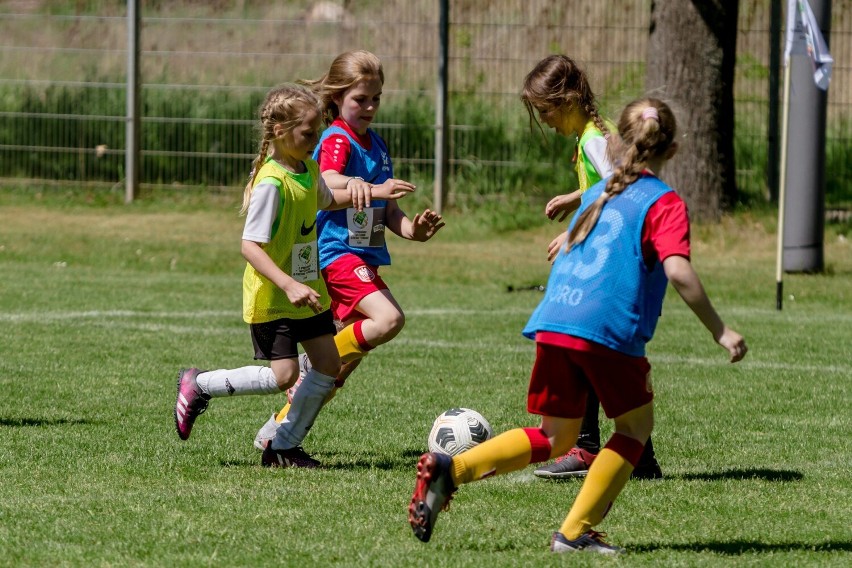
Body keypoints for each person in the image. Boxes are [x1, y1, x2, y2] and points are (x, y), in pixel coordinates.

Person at [408, 98, 748, 554]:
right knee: (633, 429)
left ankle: (454, 469)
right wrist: (720, 330)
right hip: (605, 330)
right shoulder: (664, 203)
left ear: (617, 141)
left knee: (555, 437)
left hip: (555, 319)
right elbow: (679, 271)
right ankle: (574, 533)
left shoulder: (598, 192)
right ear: (674, 149)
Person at [173, 83, 410, 468]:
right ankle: (199, 385)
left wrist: (376, 191)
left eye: (318, 131)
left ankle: (283, 446)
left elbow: (329, 199)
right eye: (309, 133)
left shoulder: (309, 168)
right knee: (283, 377)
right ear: (281, 133)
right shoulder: (271, 183)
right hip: (275, 294)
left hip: (307, 289)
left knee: (329, 365)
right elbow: (250, 247)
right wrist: (287, 283)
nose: (316, 140)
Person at [253, 50, 445, 449]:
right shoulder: (336, 138)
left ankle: (279, 432)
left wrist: (413, 229)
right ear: (338, 98)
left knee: (338, 369)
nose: (370, 106)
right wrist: (364, 186)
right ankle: (308, 372)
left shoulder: (377, 145)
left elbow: (389, 210)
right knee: (388, 319)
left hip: (363, 256)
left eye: (376, 98)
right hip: (336, 252)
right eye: (361, 99)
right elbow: (327, 179)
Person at [521, 54, 662, 480]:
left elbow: (620, 197)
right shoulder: (596, 135)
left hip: (604, 265)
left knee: (582, 343)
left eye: (544, 111)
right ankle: (630, 456)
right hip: (605, 263)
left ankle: (590, 449)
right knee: (594, 350)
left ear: (565, 100)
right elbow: (606, 185)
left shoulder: (594, 141)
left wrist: (574, 231)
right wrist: (575, 197)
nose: (544, 121)